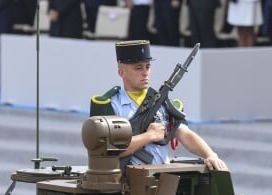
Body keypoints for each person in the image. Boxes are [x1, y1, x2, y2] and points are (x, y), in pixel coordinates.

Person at [90, 40, 228, 171]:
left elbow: (185, 134)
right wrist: (149, 136)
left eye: (148, 67)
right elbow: (108, 151)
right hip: (127, 180)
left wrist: (210, 154)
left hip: (162, 176)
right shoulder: (111, 104)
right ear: (121, 72)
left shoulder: (161, 102)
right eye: (138, 68)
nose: (145, 73)